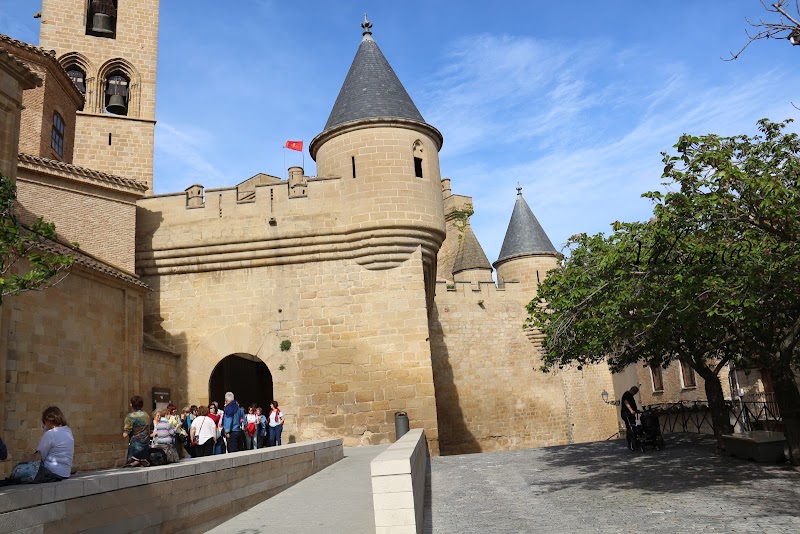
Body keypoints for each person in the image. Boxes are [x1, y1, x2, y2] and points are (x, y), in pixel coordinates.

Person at [1, 406, 75, 486]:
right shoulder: (68, 431)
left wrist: (22, 461)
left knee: (19, 475)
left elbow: (39, 456)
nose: (44, 424)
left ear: (49, 420)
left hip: (52, 472)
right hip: (65, 473)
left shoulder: (50, 434)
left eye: (44, 422)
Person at [123, 396, 151, 466]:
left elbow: (125, 434)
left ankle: (134, 461)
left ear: (131, 405)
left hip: (135, 446)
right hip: (145, 445)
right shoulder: (146, 415)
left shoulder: (130, 416)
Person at [621, 386, 640, 450]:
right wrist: (631, 410)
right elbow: (626, 403)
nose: (635, 394)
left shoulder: (630, 395)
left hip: (631, 414)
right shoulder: (626, 395)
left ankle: (635, 441)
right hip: (626, 414)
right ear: (632, 390)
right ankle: (630, 442)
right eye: (635, 392)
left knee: (633, 426)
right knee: (630, 427)